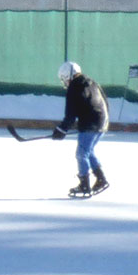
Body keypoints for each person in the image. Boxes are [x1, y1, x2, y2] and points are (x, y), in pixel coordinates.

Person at [51, 61, 110, 198]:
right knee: (88, 152)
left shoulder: (75, 87)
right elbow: (105, 102)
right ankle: (101, 179)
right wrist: (103, 122)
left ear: (68, 75)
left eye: (64, 79)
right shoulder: (92, 82)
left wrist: (61, 129)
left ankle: (84, 184)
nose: (65, 82)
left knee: (81, 154)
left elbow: (71, 114)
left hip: (91, 123)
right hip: (102, 122)